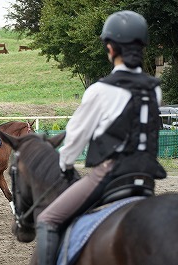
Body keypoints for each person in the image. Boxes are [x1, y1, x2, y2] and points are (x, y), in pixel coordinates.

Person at [35, 10, 167, 264]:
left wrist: (64, 165)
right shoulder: (155, 89)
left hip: (109, 175)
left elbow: (75, 138)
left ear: (110, 47)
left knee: (47, 220)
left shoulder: (101, 90)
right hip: (147, 178)